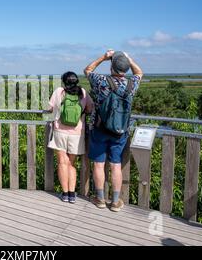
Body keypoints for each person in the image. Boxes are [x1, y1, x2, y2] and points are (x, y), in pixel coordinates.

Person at [84, 50, 143, 212]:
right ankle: (116, 202)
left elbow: (88, 70)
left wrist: (104, 57)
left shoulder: (101, 81)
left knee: (98, 163)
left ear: (112, 67)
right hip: (120, 131)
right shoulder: (132, 83)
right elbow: (139, 72)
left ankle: (101, 199)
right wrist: (128, 58)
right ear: (126, 69)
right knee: (116, 165)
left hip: (99, 129)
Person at [48, 71, 93, 204]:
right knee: (71, 164)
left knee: (62, 162)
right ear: (76, 81)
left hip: (60, 131)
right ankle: (73, 194)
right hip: (77, 133)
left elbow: (50, 108)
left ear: (64, 81)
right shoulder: (83, 92)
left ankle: (65, 193)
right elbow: (90, 109)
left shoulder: (59, 91)